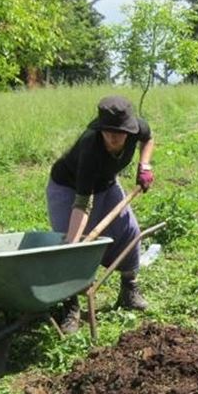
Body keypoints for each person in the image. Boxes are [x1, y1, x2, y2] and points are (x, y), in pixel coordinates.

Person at [46, 95, 155, 333]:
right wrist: (74, 247)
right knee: (72, 239)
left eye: (119, 132)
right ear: (100, 129)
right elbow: (83, 203)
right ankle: (71, 306)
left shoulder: (137, 128)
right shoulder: (90, 149)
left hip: (106, 183)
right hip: (69, 188)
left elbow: (148, 139)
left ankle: (129, 289)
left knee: (129, 230)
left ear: (129, 128)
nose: (114, 138)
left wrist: (144, 165)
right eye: (108, 132)